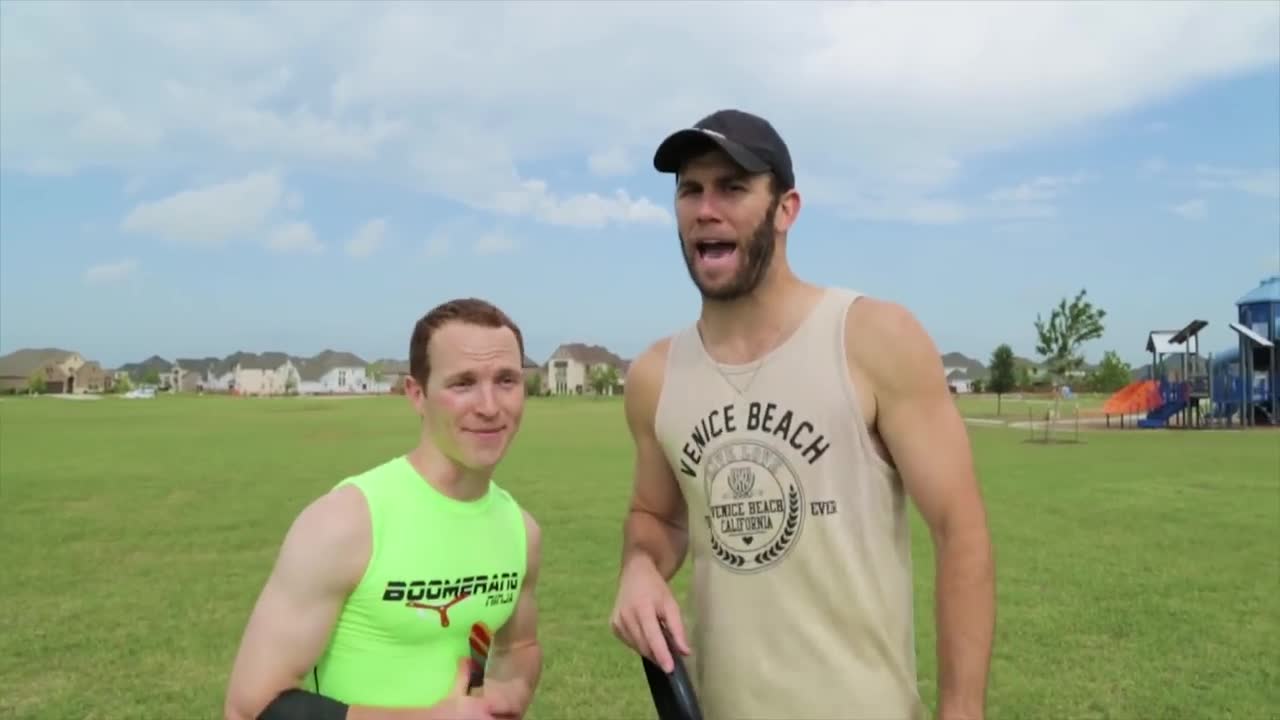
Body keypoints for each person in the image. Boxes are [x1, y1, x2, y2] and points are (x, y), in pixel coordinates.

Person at [608, 109, 996, 720]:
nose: (706, 208)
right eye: (690, 190)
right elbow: (655, 516)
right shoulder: (656, 376)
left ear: (786, 209)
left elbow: (959, 527)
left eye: (732, 187)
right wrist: (640, 564)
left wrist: (962, 709)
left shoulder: (872, 337)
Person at [224, 298, 543, 720]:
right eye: (463, 383)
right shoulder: (345, 523)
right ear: (417, 394)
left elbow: (519, 647)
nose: (489, 406)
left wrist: (511, 693)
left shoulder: (520, 530)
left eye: (506, 380)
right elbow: (251, 707)